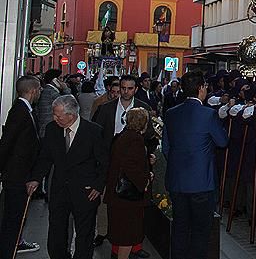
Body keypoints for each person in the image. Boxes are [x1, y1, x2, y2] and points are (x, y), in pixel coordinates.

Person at [26, 95, 109, 259]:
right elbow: (45, 157)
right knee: (57, 232)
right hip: (59, 190)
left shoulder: (93, 131)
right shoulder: (52, 129)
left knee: (84, 234)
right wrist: (36, 178)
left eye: (58, 115)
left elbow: (104, 162)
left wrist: (98, 186)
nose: (54, 118)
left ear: (71, 115)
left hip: (85, 191)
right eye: (54, 114)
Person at [162, 70, 229, 259]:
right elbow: (223, 142)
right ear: (201, 89)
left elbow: (166, 147)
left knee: (180, 228)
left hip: (177, 181)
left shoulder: (171, 113)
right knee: (200, 232)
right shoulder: (208, 114)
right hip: (201, 182)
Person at [91, 75, 155, 254]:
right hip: (109, 163)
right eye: (123, 88)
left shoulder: (144, 108)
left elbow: (150, 137)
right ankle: (105, 234)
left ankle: (133, 245)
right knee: (109, 204)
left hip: (134, 165)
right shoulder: (105, 109)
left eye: (129, 88)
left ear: (135, 89)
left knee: (131, 211)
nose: (126, 91)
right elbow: (97, 136)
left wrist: (147, 156)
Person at [0, 76, 43, 258]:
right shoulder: (19, 111)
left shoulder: (26, 110)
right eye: (39, 89)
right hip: (16, 175)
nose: (40, 92)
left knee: (16, 217)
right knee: (13, 218)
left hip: (20, 174)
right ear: (33, 90)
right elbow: (7, 142)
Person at [105, 108, 152, 259]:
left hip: (117, 195)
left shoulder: (122, 136)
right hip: (127, 198)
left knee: (120, 233)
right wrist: (146, 178)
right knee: (127, 235)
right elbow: (131, 166)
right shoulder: (135, 140)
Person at [36, 69, 70, 138]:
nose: (62, 81)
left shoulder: (48, 90)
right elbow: (69, 105)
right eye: (60, 78)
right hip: (49, 128)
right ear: (54, 80)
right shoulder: (51, 92)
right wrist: (66, 89)